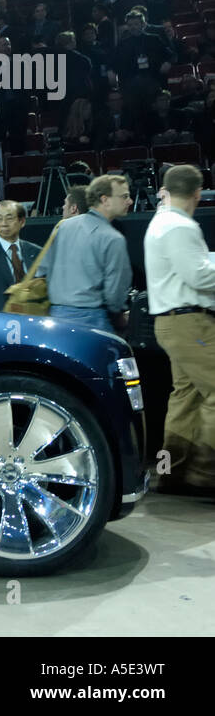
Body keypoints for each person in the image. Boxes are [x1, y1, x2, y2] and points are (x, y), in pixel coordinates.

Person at [144, 165, 215, 495]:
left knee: (184, 396)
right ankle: (204, 472)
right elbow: (199, 276)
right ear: (198, 194)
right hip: (189, 323)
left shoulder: (161, 221)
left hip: (170, 322)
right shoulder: (179, 225)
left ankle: (168, 471)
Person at [36, 174, 132, 333]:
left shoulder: (63, 227)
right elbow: (114, 297)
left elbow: (42, 271)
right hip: (93, 323)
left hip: (55, 320)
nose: (130, 201)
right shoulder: (114, 239)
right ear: (105, 200)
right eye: (125, 196)